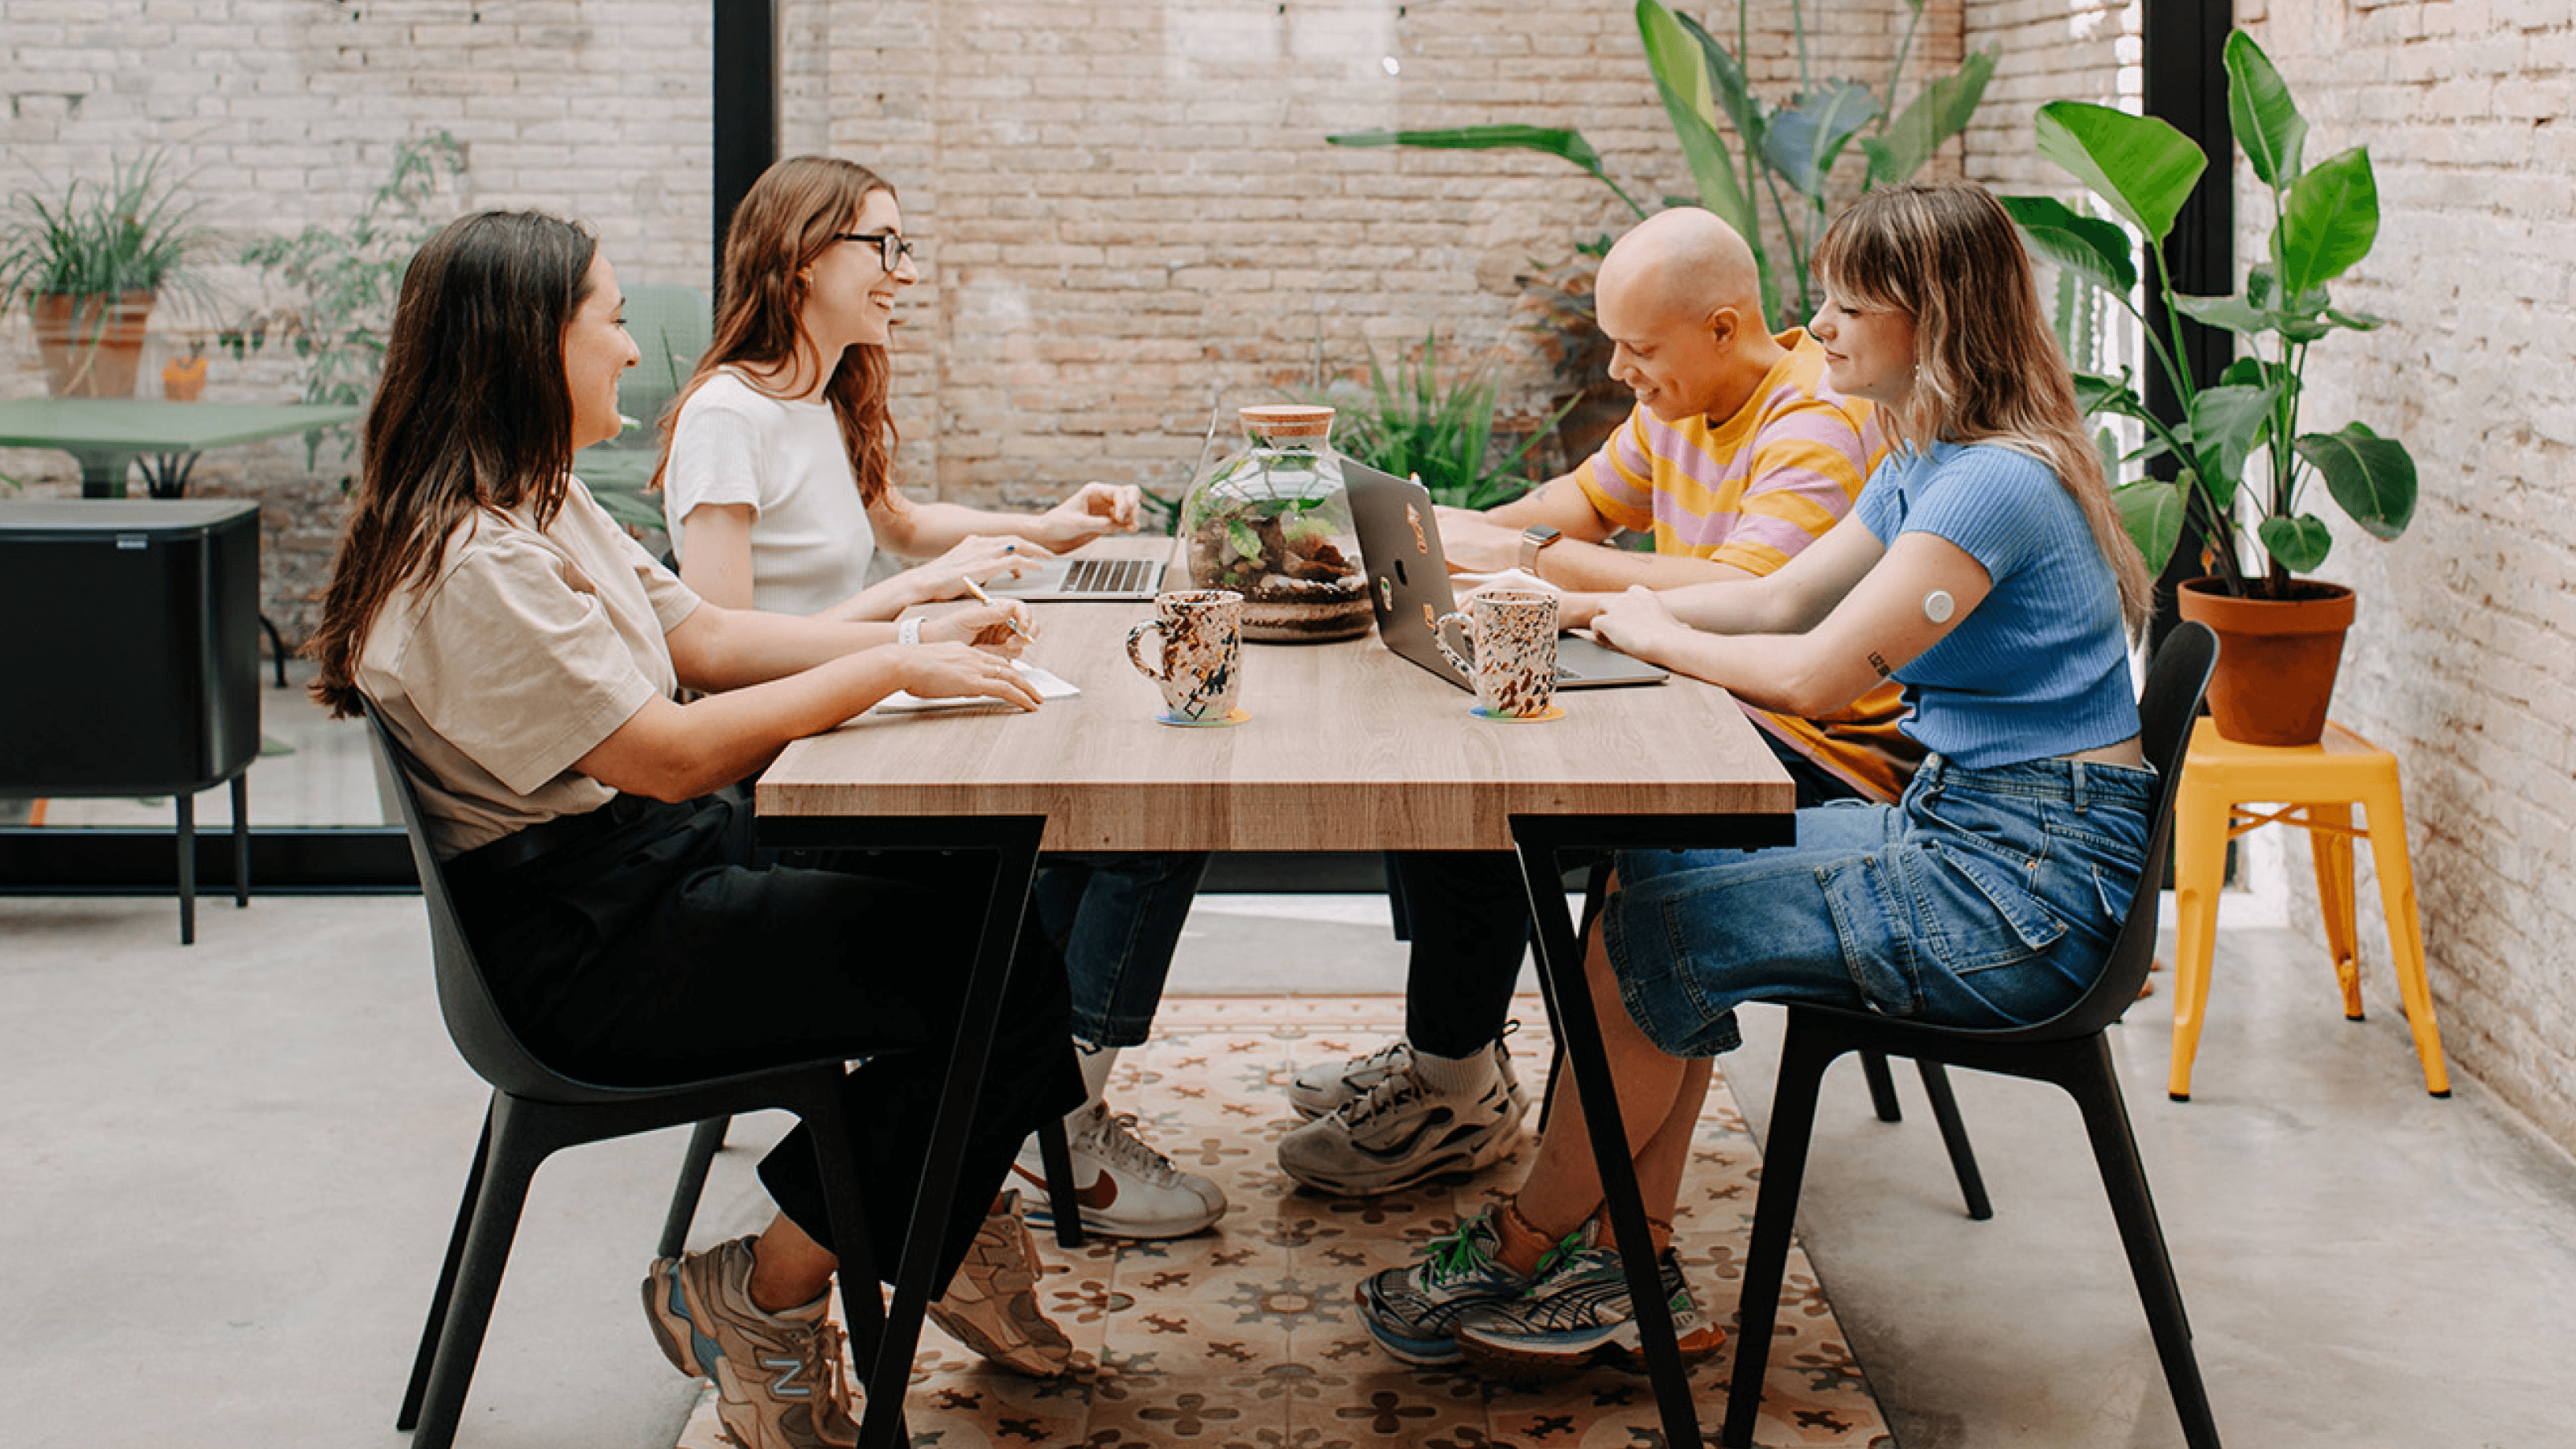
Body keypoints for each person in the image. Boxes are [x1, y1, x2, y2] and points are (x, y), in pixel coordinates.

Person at [1353, 180, 2161, 1375]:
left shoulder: (1992, 483)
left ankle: (1527, 1246)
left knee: (1644, 943)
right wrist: (1588, 602)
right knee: (1656, 878)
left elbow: (1817, 675)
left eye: (1846, 307)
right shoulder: (1925, 459)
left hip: (2024, 894)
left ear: (1931, 323)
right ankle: (1632, 1269)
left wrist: (1643, 627)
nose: (1817, 328)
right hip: (1973, 834)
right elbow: (1774, 595)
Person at [308, 209, 1087, 1447]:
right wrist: (895, 668)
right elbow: (670, 757)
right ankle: (764, 1295)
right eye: (609, 320)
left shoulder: (537, 502)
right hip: (588, 948)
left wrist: (909, 642)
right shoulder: (471, 563)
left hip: (639, 874)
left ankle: (946, 1198)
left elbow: (708, 642)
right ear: (525, 346)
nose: (631, 350)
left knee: (982, 893)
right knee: (995, 982)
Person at [1278, 205, 1916, 1195]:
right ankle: (1455, 1067)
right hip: (1706, 695)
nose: (1620, 372)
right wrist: (1449, 537)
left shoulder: (1813, 418)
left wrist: (1528, 560)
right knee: (1452, 758)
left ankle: (1458, 1088)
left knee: (1488, 792)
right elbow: (1565, 510)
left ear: (1719, 326)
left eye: (1636, 348)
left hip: (1801, 741)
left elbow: (1743, 603)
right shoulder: (1678, 402)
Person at [654, 155, 1223, 1243]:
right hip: (792, 779)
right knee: (1122, 832)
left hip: (860, 724)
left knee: (1123, 797)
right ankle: (1049, 1108)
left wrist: (1048, 528)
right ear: (800, 258)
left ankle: (1038, 1098)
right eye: (885, 245)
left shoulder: (819, 400)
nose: (903, 273)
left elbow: (900, 523)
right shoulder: (727, 417)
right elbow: (717, 653)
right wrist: (907, 619)